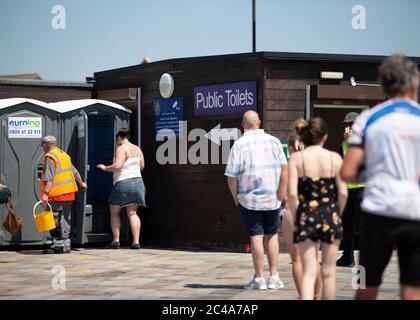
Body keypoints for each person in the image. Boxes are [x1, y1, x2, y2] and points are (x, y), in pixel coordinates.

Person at [341, 55, 420, 300]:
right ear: (414, 84)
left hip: (377, 213)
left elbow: (347, 172)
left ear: (384, 86)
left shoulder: (367, 119)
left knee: (365, 284)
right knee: (412, 288)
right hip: (414, 212)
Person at [225, 110, 288, 290]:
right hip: (273, 197)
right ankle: (274, 276)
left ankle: (259, 278)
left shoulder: (239, 145)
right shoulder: (274, 142)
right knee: (272, 234)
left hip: (249, 198)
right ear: (258, 122)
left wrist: (235, 196)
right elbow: (285, 169)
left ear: (243, 125)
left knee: (256, 236)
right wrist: (282, 193)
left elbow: (231, 177)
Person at [288, 118, 348, 300]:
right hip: (330, 214)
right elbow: (343, 192)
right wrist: (337, 213)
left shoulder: (297, 159)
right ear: (325, 137)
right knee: (329, 273)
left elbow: (291, 194)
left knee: (309, 271)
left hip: (306, 216)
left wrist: (298, 216)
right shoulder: (335, 158)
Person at [281, 135, 322, 299]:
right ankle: (317, 295)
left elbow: (280, 195)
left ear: (291, 148)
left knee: (297, 260)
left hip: (294, 212)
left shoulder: (288, 168)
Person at [97, 128, 146, 250]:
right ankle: (136, 242)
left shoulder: (121, 148)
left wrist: (105, 167)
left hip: (123, 183)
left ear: (119, 137)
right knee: (132, 213)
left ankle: (116, 241)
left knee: (114, 212)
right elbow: (142, 165)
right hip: (138, 182)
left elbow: (117, 166)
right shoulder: (137, 149)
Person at [40, 136, 87, 254]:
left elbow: (49, 178)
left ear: (46, 145)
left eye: (43, 146)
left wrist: (45, 193)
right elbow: (74, 171)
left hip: (56, 193)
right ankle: (66, 243)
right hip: (69, 192)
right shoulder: (64, 155)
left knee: (54, 217)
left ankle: (58, 244)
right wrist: (82, 183)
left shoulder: (50, 157)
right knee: (66, 218)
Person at [336, 112, 365, 267]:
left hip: (363, 188)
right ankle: (347, 257)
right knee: (347, 225)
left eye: (350, 124)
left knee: (364, 225)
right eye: (346, 125)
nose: (347, 128)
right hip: (348, 189)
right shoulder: (345, 143)